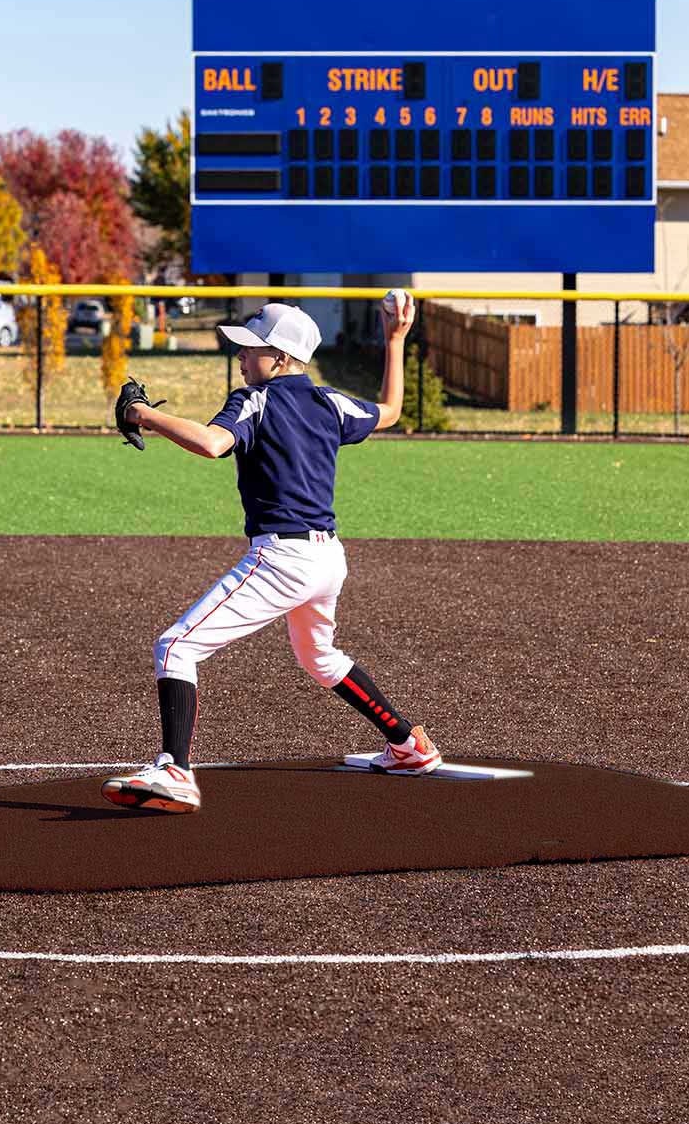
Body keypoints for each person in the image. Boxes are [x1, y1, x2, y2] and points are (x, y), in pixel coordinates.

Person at [101, 293, 441, 814]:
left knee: (175, 648)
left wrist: (143, 413)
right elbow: (391, 411)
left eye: (251, 348)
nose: (241, 356)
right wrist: (395, 341)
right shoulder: (330, 402)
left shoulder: (254, 400)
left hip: (283, 558)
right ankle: (408, 745)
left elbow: (213, 444)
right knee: (319, 657)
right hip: (328, 559)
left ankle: (175, 770)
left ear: (280, 358)